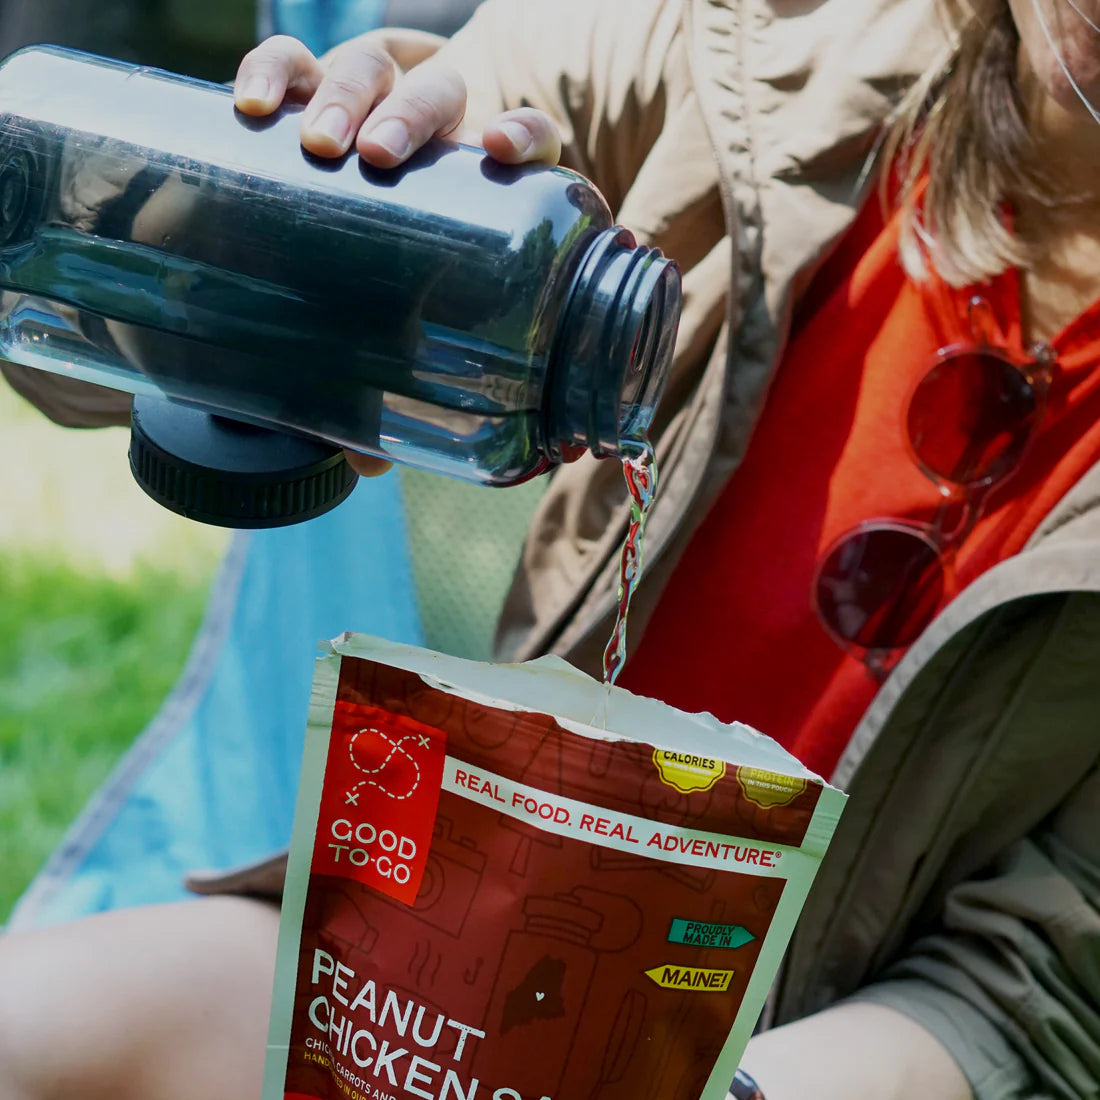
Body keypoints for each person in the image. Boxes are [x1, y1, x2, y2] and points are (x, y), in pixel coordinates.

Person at [1, 1, 1098, 1098]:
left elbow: (1036, 988)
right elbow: (494, 96)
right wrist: (270, 212)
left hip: (801, 1057)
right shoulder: (764, 54)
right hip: (438, 948)